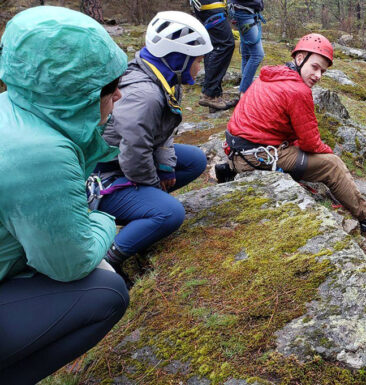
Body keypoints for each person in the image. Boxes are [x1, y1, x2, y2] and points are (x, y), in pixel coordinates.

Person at [0, 7, 130, 383]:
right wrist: (106, 219)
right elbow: (71, 264)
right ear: (75, 94)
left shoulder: (13, 107)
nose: (119, 94)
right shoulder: (41, 154)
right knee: (105, 293)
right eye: (109, 87)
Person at [215, 33, 366, 232]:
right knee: (333, 166)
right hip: (257, 156)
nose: (318, 75)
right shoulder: (298, 91)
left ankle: (231, 168)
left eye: (323, 72)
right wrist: (328, 153)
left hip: (238, 150)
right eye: (315, 67)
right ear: (300, 58)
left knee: (298, 146)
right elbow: (311, 143)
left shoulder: (271, 75)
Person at [94, 11, 211, 286]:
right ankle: (107, 258)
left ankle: (143, 210)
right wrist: (152, 184)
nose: (200, 67)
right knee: (171, 213)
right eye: (197, 60)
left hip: (123, 164)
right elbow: (134, 152)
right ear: (178, 57)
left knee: (193, 160)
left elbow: (162, 131)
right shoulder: (144, 95)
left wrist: (166, 164)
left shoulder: (164, 78)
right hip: (103, 176)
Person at [190, 0, 238, 111]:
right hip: (210, 6)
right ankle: (210, 94)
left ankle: (215, 94)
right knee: (225, 44)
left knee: (214, 46)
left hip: (207, 7)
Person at [227, 0, 265, 98]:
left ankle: (245, 90)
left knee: (247, 55)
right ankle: (244, 93)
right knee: (257, 55)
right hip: (244, 11)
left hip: (244, 11)